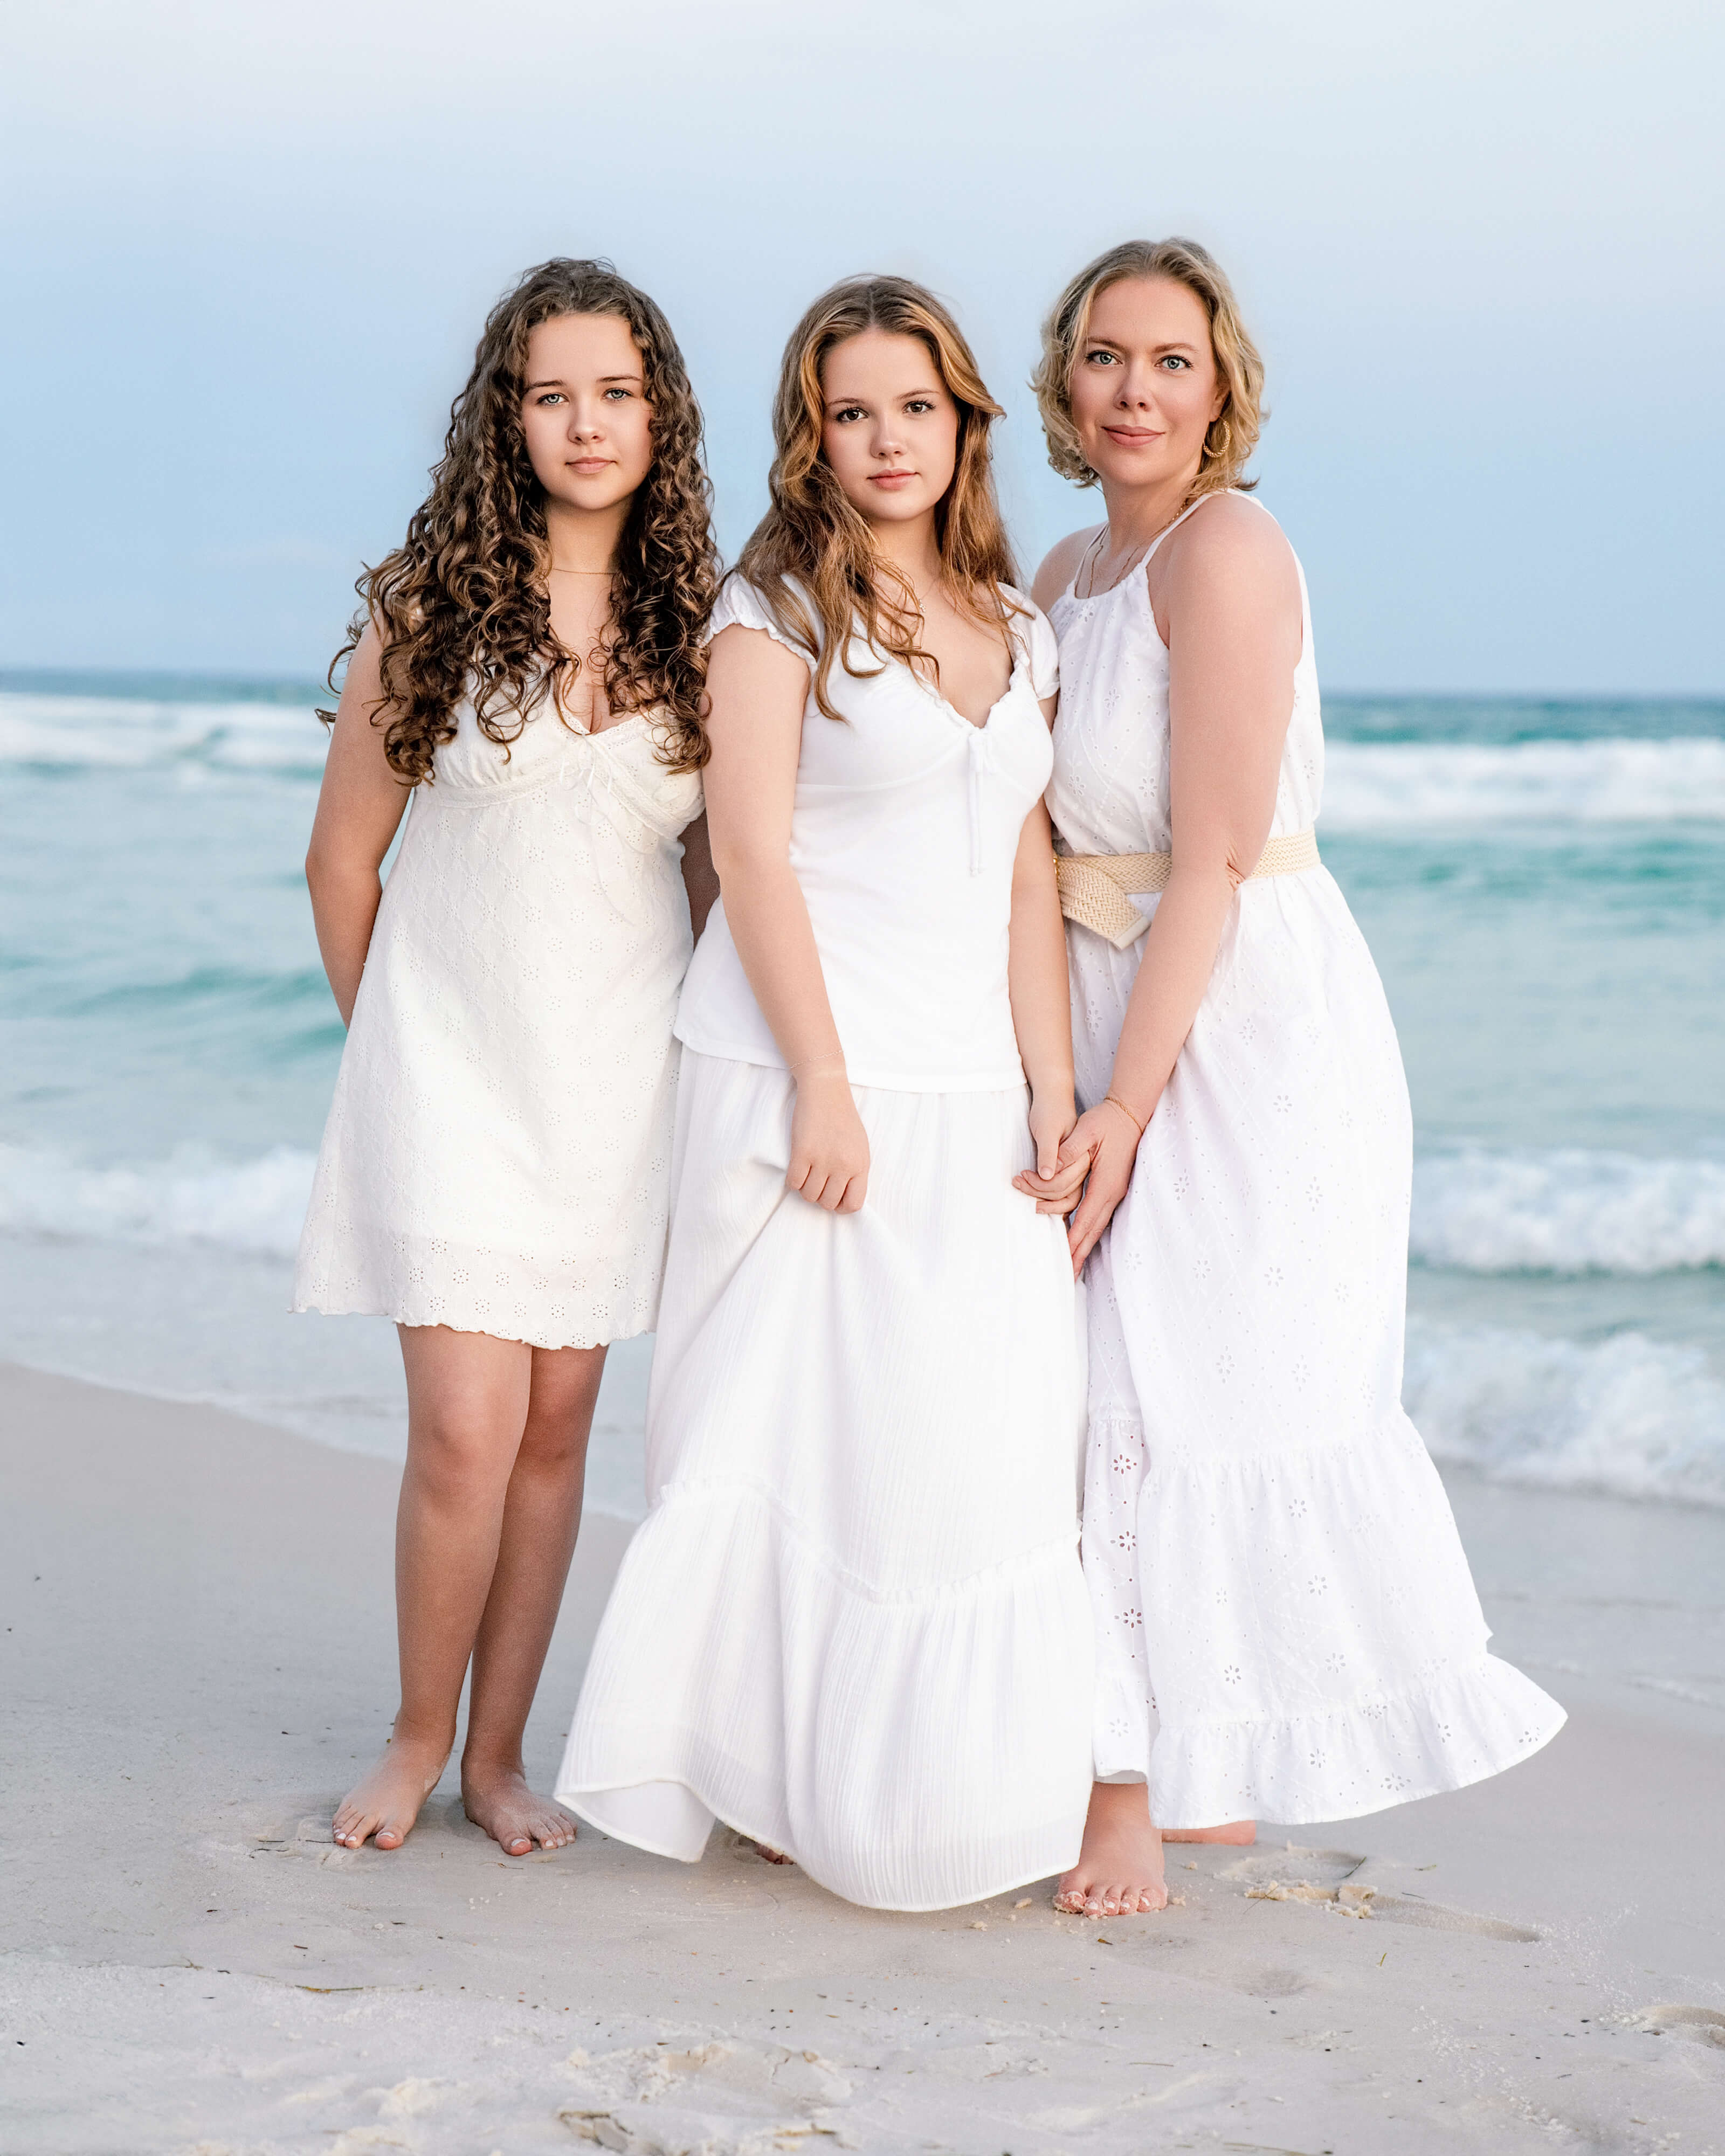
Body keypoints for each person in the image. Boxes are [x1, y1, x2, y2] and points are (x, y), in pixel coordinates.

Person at [1023, 239, 1565, 1918]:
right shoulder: (1061, 569)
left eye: (1170, 361)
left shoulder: (1229, 550)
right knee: (1087, 1372)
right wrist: (1053, 1071)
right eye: (1106, 357)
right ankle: (1164, 1756)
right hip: (1108, 990)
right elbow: (1035, 850)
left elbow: (1214, 856)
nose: (1135, 389)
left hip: (1243, 1017)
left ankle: (1141, 1785)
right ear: (1064, 379)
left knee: (1181, 1375)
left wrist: (1126, 1099)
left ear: (1222, 384)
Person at [556, 275, 1095, 1911]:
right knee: (782, 1440)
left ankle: (929, 1781)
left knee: (973, 1443)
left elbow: (1024, 882)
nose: (886, 440)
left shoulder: (1020, 621)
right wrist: (823, 1086)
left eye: (915, 407)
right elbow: (751, 854)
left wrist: (1057, 1101)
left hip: (971, 1089)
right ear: (816, 430)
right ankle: (755, 1771)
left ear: (964, 422)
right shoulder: (772, 604)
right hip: (803, 1077)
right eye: (852, 411)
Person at [294, 258, 720, 1857]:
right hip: (448, 1081)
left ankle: (501, 1756)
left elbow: (716, 888)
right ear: (507, 415)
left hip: (622, 1087)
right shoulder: (432, 603)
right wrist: (394, 1057)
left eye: (616, 392)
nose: (586, 422)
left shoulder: (705, 626)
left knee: (555, 1439)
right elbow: (345, 864)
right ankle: (416, 1735)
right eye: (553, 393)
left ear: (658, 413)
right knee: (464, 1432)